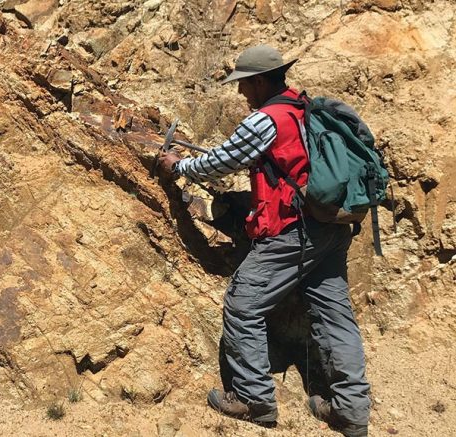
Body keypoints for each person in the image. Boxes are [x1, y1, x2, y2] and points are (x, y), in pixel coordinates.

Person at [157, 45, 371, 437]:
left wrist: (180, 165)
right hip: (331, 226)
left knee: (243, 304)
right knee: (335, 316)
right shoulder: (304, 108)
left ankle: (255, 400)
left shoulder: (265, 119)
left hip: (294, 230)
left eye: (244, 85)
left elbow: (223, 160)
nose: (241, 93)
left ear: (258, 81)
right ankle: (352, 412)